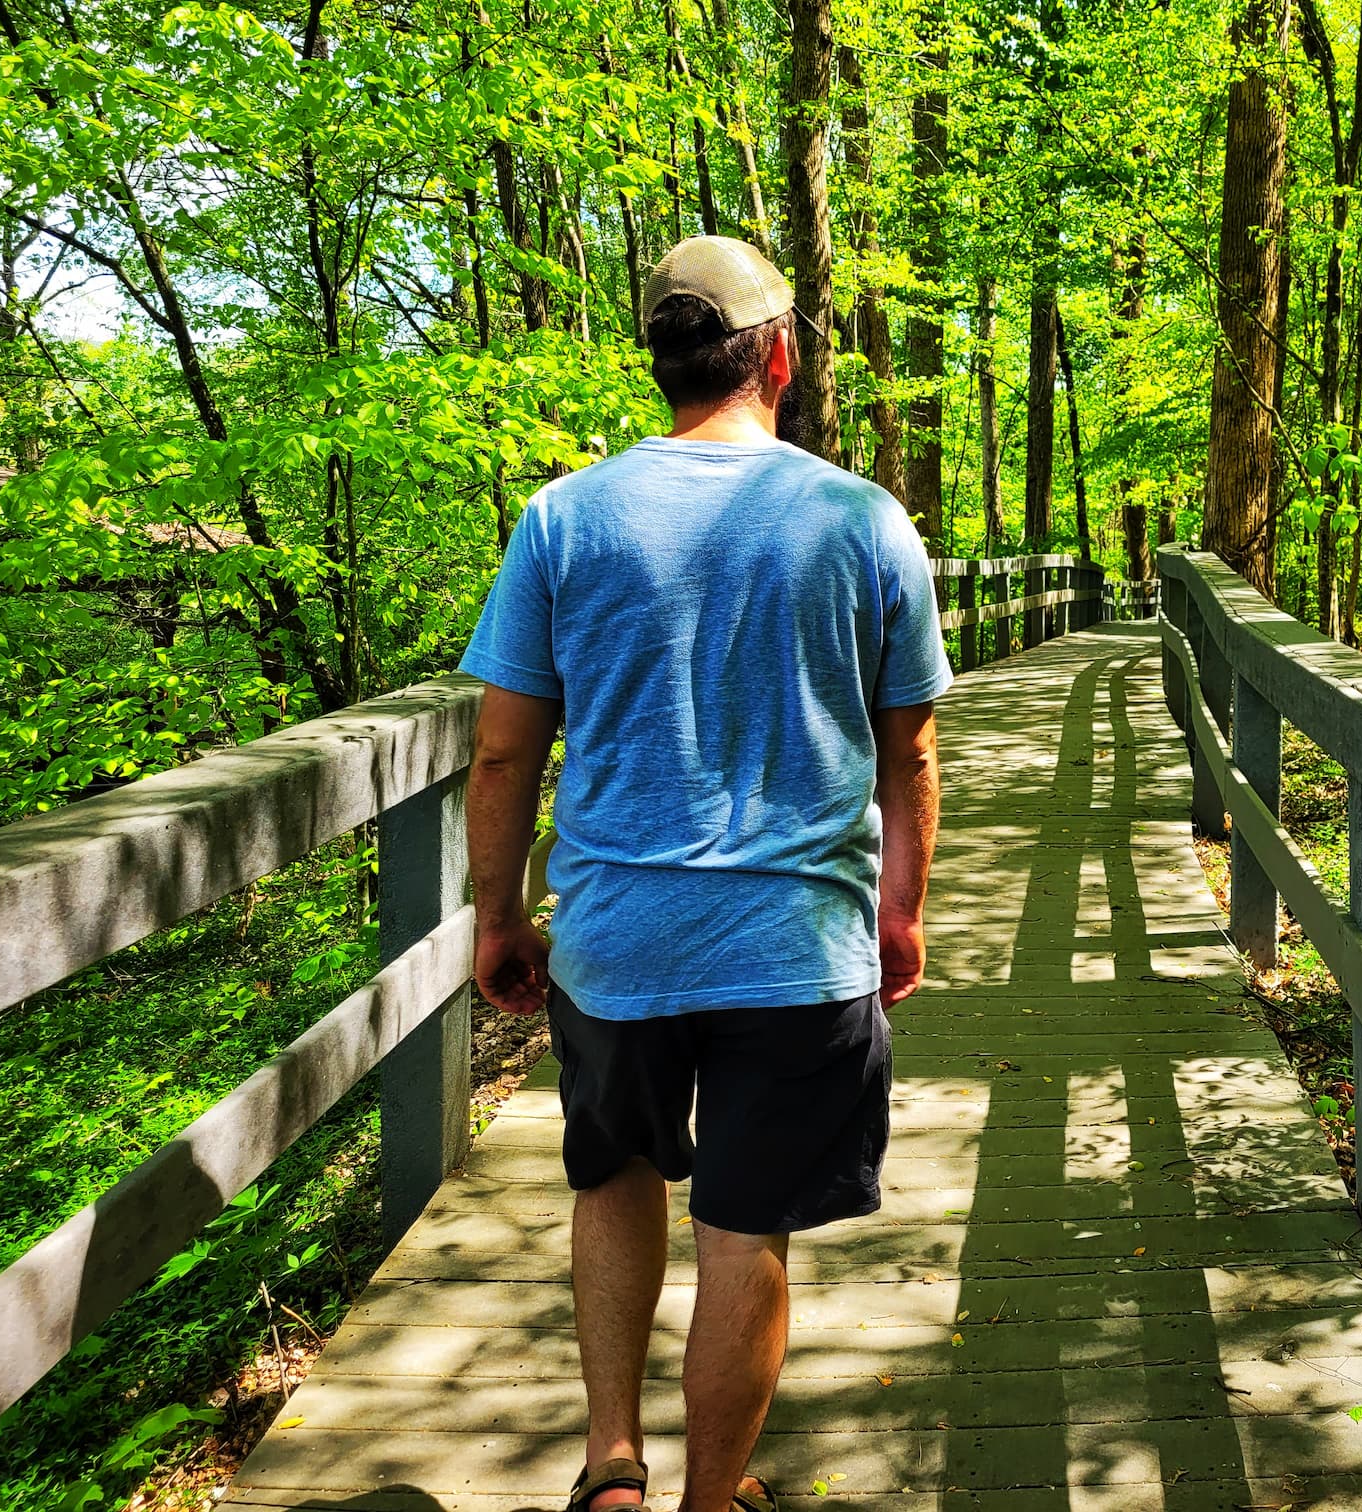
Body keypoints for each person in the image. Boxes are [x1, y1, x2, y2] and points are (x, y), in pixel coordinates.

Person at [457, 235, 949, 1512]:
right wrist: (898, 915)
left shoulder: (565, 519)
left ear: (663, 366)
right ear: (777, 353)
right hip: (796, 945)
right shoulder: (861, 519)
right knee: (747, 1227)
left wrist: (499, 918)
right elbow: (912, 757)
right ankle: (710, 1502)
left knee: (609, 1176)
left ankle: (610, 1464)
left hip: (617, 937)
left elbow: (503, 755)